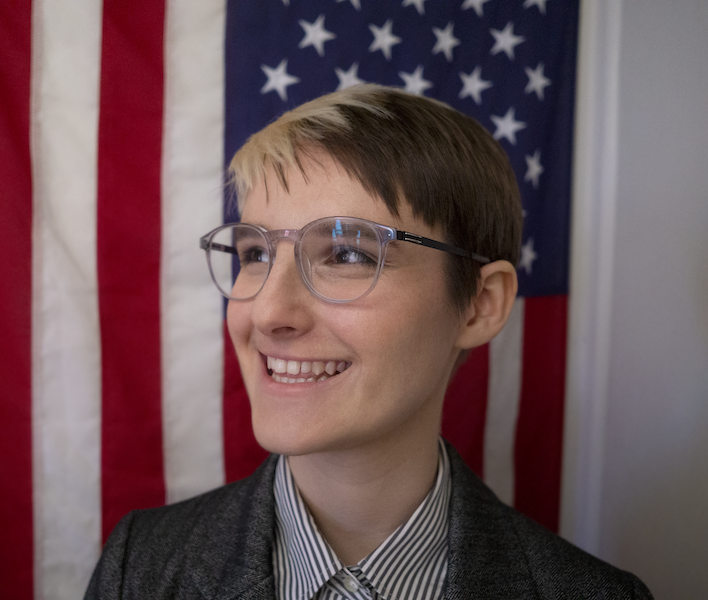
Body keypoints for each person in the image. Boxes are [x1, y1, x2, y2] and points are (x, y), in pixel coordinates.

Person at [84, 84, 652, 599]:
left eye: (349, 254)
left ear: (480, 304)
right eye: (255, 254)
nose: (269, 311)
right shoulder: (140, 569)